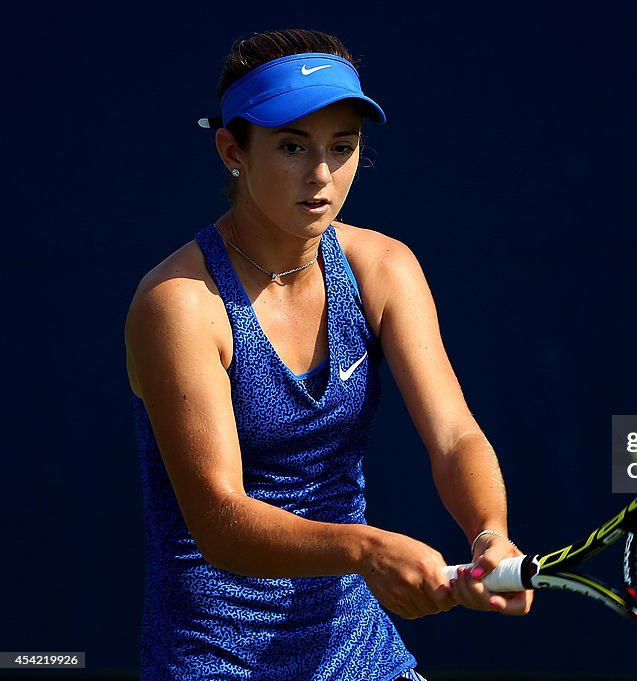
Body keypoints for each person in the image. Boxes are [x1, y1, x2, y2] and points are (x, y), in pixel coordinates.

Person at [125, 28, 531, 681]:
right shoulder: (179, 303)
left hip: (355, 646)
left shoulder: (384, 268)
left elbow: (455, 435)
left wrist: (489, 532)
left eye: (342, 147)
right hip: (212, 659)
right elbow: (219, 519)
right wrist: (365, 548)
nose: (322, 175)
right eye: (292, 147)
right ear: (233, 149)